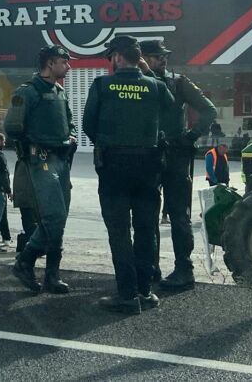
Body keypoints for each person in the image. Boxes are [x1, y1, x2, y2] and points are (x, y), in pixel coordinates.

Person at [83, 35, 175, 314]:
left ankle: (127, 294)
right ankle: (145, 291)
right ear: (139, 59)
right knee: (147, 229)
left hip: (114, 167)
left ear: (118, 57)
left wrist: (109, 143)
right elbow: (171, 112)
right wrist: (148, 75)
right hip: (148, 166)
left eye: (111, 57)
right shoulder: (156, 86)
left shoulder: (102, 85)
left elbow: (88, 125)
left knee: (119, 231)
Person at [140, 39, 217, 291]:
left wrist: (190, 136)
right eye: (156, 56)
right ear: (143, 58)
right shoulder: (136, 83)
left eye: (164, 56)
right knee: (146, 214)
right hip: (148, 155)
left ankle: (184, 269)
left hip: (174, 154)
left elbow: (209, 110)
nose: (163, 59)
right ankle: (150, 267)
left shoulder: (179, 82)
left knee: (178, 215)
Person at [5, 45, 76, 294]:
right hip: (41, 160)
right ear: (50, 64)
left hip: (61, 159)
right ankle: (26, 262)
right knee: (53, 217)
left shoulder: (59, 92)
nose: (68, 66)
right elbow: (12, 128)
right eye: (64, 62)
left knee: (59, 218)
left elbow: (70, 123)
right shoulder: (27, 91)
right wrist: (34, 144)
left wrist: (71, 136)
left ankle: (49, 275)